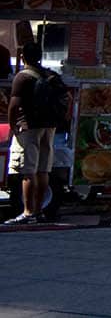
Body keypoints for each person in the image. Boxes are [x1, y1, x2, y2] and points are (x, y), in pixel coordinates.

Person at [5, 43, 62, 226]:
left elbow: (14, 106)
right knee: (43, 169)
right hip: (49, 127)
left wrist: (13, 126)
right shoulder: (50, 75)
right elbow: (66, 98)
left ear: (23, 58)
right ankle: (39, 211)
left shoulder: (22, 77)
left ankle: (28, 212)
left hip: (29, 127)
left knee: (27, 171)